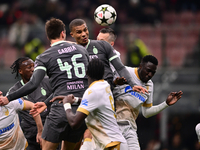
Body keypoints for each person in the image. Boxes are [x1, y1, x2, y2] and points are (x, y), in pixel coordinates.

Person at [0, 18, 90, 150]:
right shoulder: (81, 50)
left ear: (48, 37)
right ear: (63, 33)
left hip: (60, 110)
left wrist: (8, 98)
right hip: (82, 109)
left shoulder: (44, 57)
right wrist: (46, 102)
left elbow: (33, 84)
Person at [50, 58, 129, 150]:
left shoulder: (92, 91)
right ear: (103, 73)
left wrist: (66, 104)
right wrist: (74, 100)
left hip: (113, 145)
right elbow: (92, 102)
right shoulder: (104, 85)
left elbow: (74, 123)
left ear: (86, 72)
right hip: (112, 143)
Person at [113, 55, 183, 149]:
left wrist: (165, 104)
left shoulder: (149, 85)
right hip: (113, 124)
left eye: (153, 72)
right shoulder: (125, 72)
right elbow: (105, 87)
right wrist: (114, 83)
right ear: (140, 66)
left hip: (130, 128)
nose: (150, 74)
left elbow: (146, 112)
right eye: (148, 70)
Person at [69, 18, 147, 93]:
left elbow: (120, 67)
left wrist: (133, 84)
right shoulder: (70, 51)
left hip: (105, 91)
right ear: (72, 34)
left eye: (85, 30)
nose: (83, 34)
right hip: (85, 92)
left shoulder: (103, 45)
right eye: (79, 32)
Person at [6, 57, 53, 150]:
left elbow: (58, 94)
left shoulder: (47, 81)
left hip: (50, 129)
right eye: (29, 67)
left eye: (34, 66)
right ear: (20, 71)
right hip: (30, 134)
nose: (33, 69)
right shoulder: (14, 91)